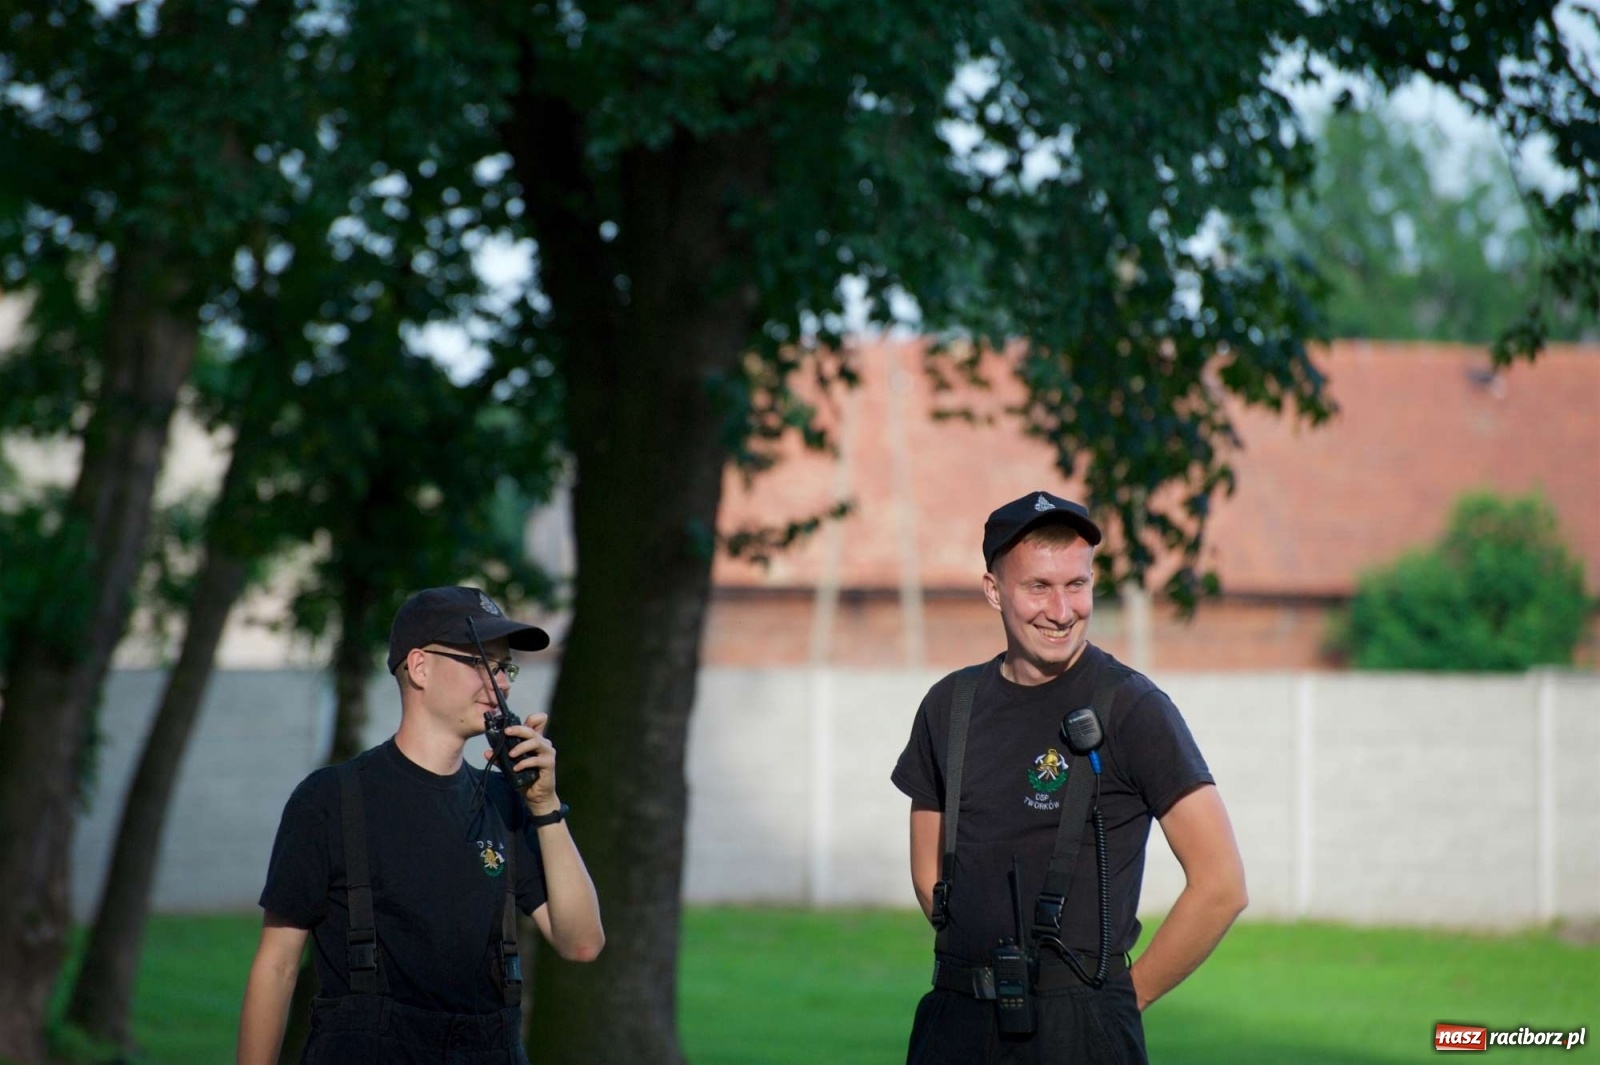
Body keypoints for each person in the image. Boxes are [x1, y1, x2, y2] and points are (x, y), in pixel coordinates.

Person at [891, 491, 1247, 1064]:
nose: (1061, 611)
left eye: (1076, 586)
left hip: (1080, 1028)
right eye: (1038, 587)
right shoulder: (948, 707)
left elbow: (1222, 885)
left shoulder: (1134, 708)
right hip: (954, 1020)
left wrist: (1127, 999)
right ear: (993, 590)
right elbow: (928, 872)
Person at [238, 586, 604, 1065]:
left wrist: (546, 806)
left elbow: (581, 942)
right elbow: (278, 967)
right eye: (481, 663)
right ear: (419, 667)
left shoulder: (506, 802)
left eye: (504, 667)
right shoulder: (330, 799)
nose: (501, 684)